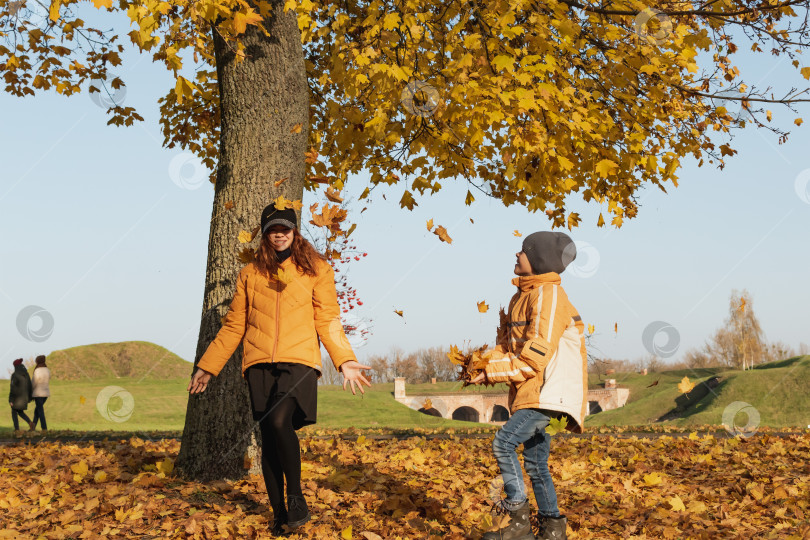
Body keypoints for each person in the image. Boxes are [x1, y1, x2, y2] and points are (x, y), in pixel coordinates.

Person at [187, 203, 372, 536]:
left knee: (277, 420)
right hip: (258, 364)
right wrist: (208, 367)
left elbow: (327, 319)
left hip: (299, 360)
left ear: (295, 231)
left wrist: (344, 360)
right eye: (273, 229)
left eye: (285, 229)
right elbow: (233, 326)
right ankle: (279, 516)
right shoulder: (250, 274)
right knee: (269, 439)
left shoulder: (317, 270)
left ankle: (296, 496)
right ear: (266, 234)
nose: (280, 235)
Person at [470, 231, 588, 540]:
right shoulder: (520, 296)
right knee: (536, 462)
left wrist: (490, 373)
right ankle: (552, 530)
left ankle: (517, 519)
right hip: (533, 392)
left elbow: (536, 356)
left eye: (523, 251)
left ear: (538, 260)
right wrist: (482, 365)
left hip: (550, 394)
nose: (517, 255)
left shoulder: (548, 294)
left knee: (503, 443)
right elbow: (507, 349)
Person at [8, 358, 34, 435]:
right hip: (25, 397)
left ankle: (17, 429)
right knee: (20, 411)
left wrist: (10, 400)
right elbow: (30, 386)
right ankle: (30, 423)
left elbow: (13, 388)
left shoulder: (15, 375)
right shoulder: (26, 374)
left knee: (14, 412)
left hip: (17, 398)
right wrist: (30, 397)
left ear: (15, 366)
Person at [31, 355, 50, 431]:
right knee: (37, 410)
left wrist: (30, 391)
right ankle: (33, 427)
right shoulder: (47, 370)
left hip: (38, 393)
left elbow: (33, 383)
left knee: (40, 411)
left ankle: (44, 428)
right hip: (46, 393)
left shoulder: (37, 370)